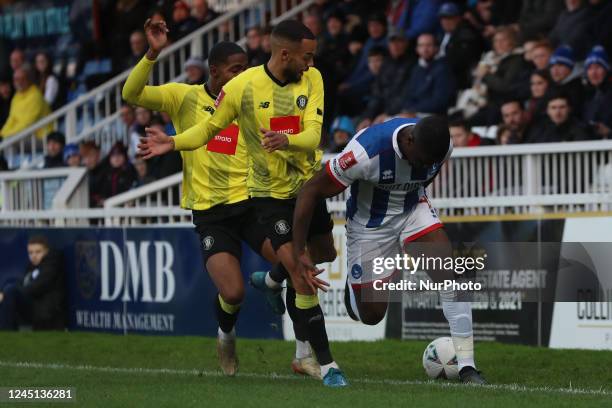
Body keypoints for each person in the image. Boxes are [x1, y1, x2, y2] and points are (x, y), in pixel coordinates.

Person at [138, 20, 346, 387]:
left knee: (313, 261)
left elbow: (311, 133)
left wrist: (286, 140)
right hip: (216, 212)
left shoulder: (294, 83)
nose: (243, 72)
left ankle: (273, 288)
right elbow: (191, 124)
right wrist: (171, 141)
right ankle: (232, 337)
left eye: (246, 65)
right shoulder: (193, 97)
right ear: (216, 71)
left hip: (250, 201)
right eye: (236, 68)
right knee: (238, 290)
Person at [291, 116, 486, 385]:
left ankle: (467, 367)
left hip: (412, 210)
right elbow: (310, 192)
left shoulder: (441, 146)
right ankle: (355, 287)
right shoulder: (365, 153)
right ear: (409, 141)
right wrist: (299, 249)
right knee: (371, 315)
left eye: (431, 162)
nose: (425, 166)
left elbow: (426, 172)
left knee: (451, 275)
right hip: (370, 226)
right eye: (421, 160)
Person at [0, 235, 65, 331]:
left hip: (46, 313)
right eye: (30, 253)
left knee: (10, 291)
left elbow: (38, 286)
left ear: (47, 251)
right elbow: (22, 283)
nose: (34, 256)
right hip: (32, 308)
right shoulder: (31, 265)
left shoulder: (53, 262)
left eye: (38, 252)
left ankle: (5, 333)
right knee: (8, 292)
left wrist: (6, 293)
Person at [357, 28, 415, 130]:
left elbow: (407, 95)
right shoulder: (386, 65)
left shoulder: (413, 64)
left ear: (406, 43)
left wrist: (387, 113)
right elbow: (377, 95)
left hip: (402, 113)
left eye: (399, 41)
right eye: (392, 42)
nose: (395, 45)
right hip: (385, 114)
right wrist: (368, 117)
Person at [399, 33, 455, 116]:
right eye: (421, 45)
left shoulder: (443, 68)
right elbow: (407, 95)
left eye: (429, 45)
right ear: (417, 49)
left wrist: (414, 110)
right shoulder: (416, 68)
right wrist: (408, 109)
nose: (425, 49)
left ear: (436, 48)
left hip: (434, 116)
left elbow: (440, 101)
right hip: (414, 112)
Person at [437, 2, 485, 90]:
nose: (445, 22)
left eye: (449, 18)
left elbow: (458, 62)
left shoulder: (466, 35)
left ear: (458, 18)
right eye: (442, 18)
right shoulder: (446, 34)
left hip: (461, 82)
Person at [0, 67, 51, 139]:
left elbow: (27, 123)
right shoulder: (16, 97)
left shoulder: (35, 96)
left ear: (29, 80)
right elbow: (11, 119)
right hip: (22, 135)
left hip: (40, 137)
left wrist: (8, 135)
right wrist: (2, 133)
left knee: (9, 144)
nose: (19, 82)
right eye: (16, 80)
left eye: (23, 79)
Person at [526, 92, 590, 143]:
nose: (557, 112)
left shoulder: (580, 129)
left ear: (569, 109)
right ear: (547, 111)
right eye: (553, 108)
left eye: (562, 107)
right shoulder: (539, 131)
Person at [582, 46, 612, 139]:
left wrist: (609, 133)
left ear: (606, 70)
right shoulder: (587, 96)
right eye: (590, 68)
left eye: (598, 67)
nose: (594, 73)